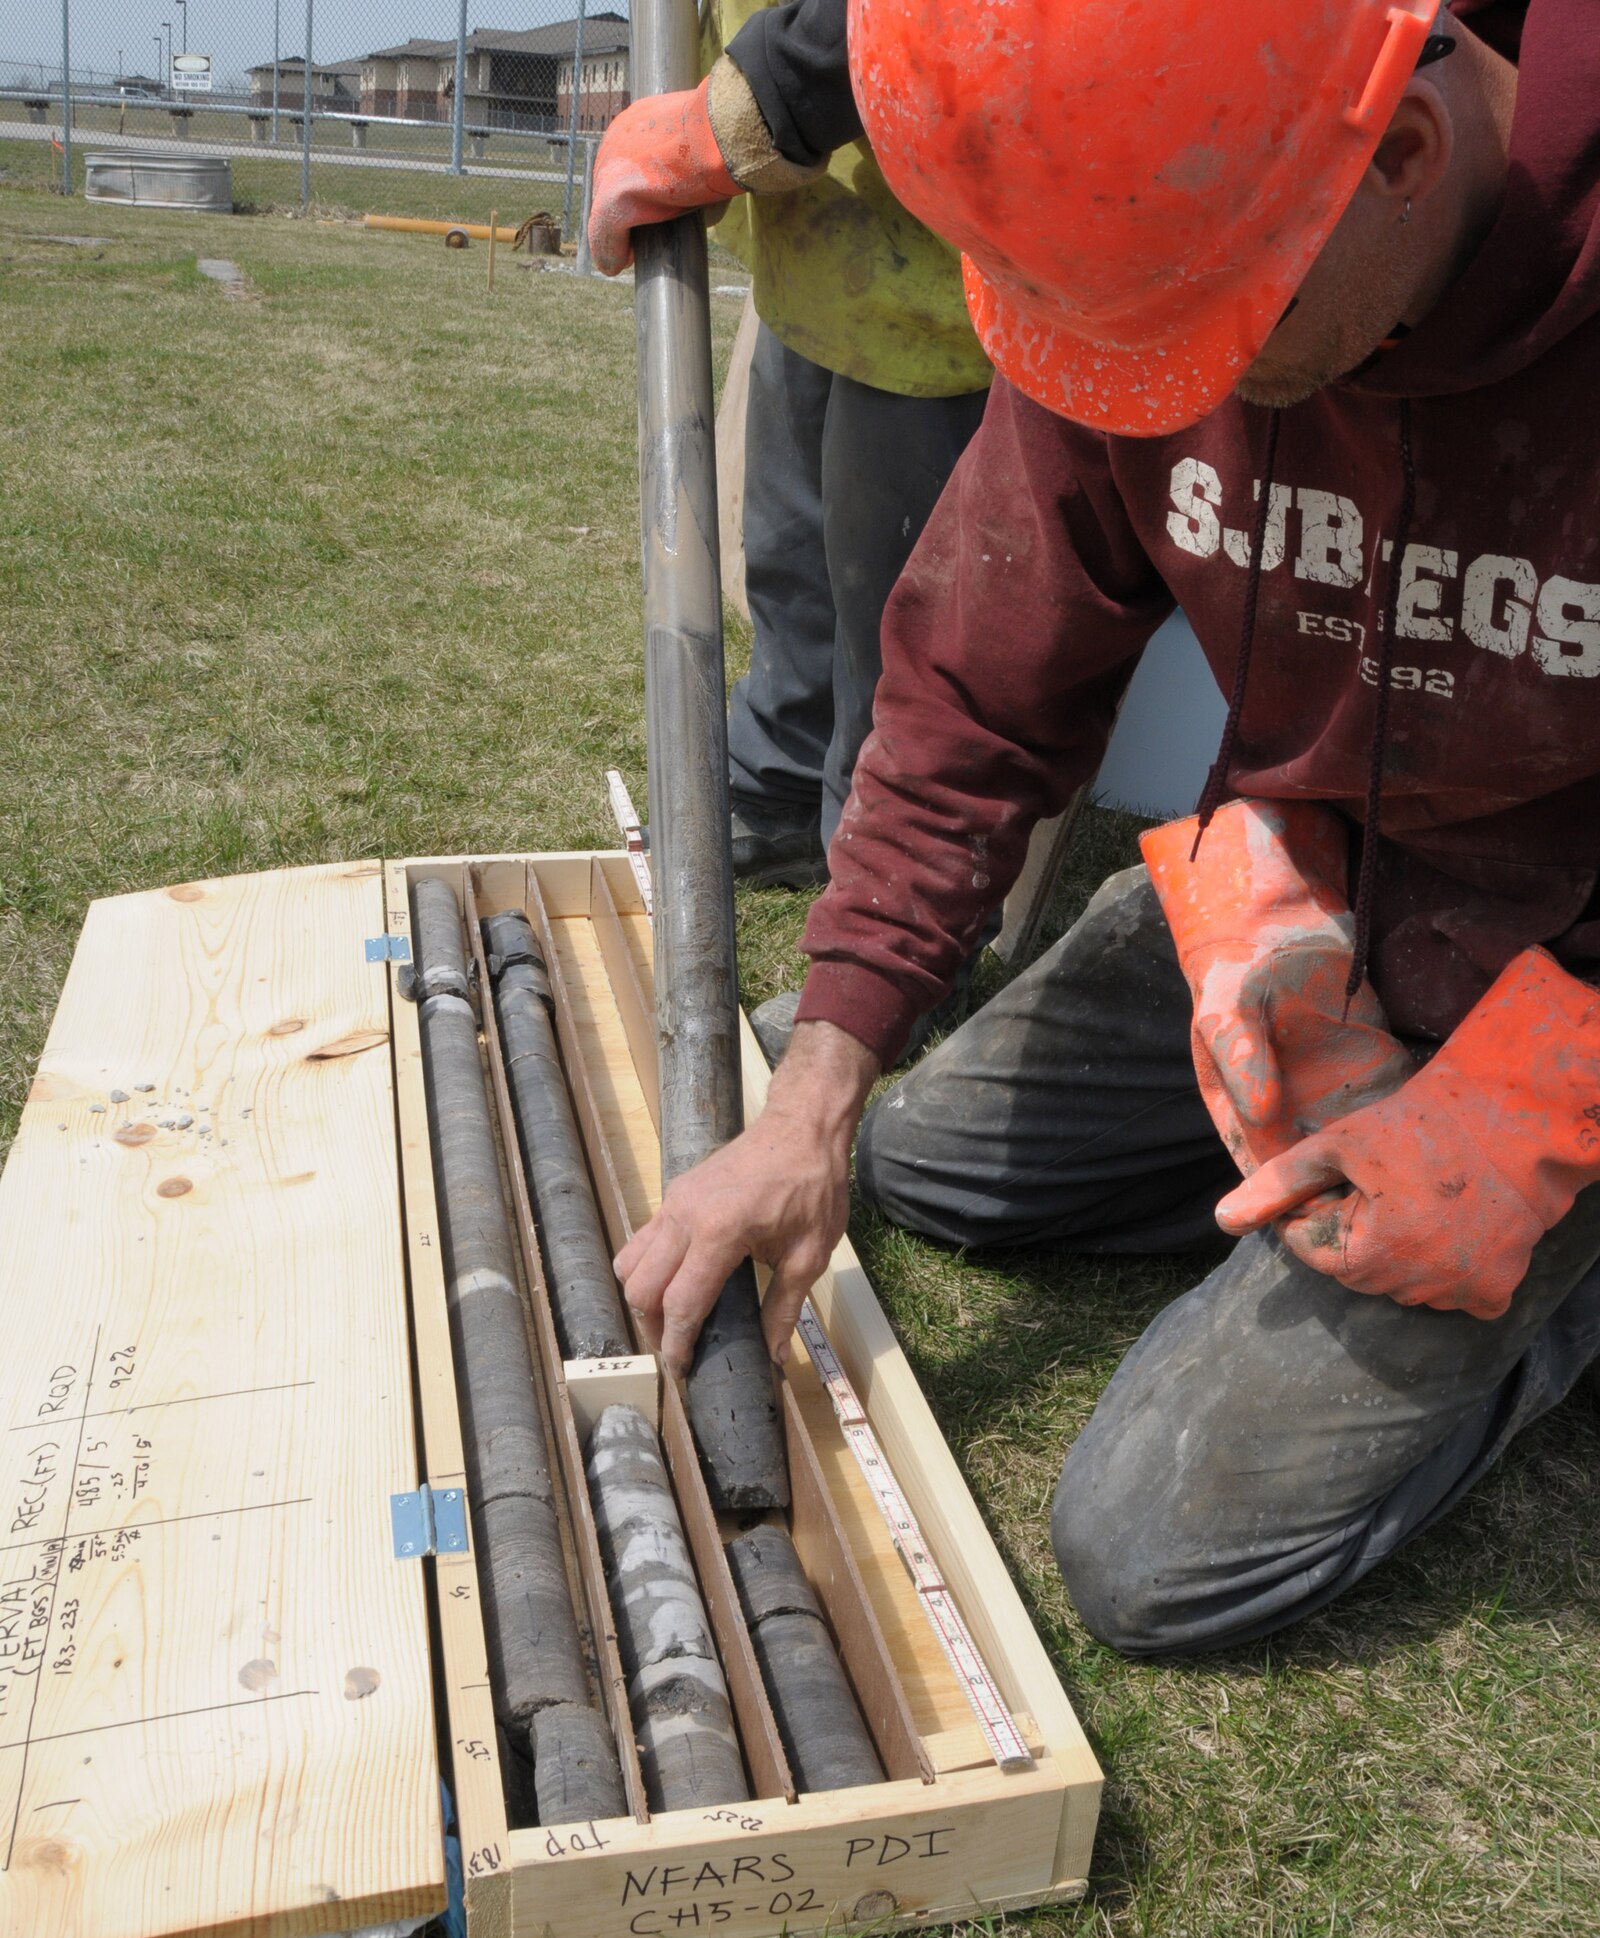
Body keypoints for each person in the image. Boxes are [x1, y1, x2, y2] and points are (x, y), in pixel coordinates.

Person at [611, 0, 1600, 1655]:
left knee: (1152, 1548)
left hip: (1560, 991)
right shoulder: (1154, 204)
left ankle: (1553, 1269)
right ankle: (1316, 1152)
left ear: (1408, 156)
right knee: (917, 1155)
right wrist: (810, 1103)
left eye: (1192, 344)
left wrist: (1543, 1091)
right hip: (1329, 901)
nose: (1143, 398)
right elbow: (973, 692)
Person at [587, 0, 991, 949]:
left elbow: (907, 21)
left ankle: (893, 916)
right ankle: (777, 785)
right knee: (789, 559)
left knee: (895, 637)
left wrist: (732, 118)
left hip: (939, 265)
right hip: (822, 229)